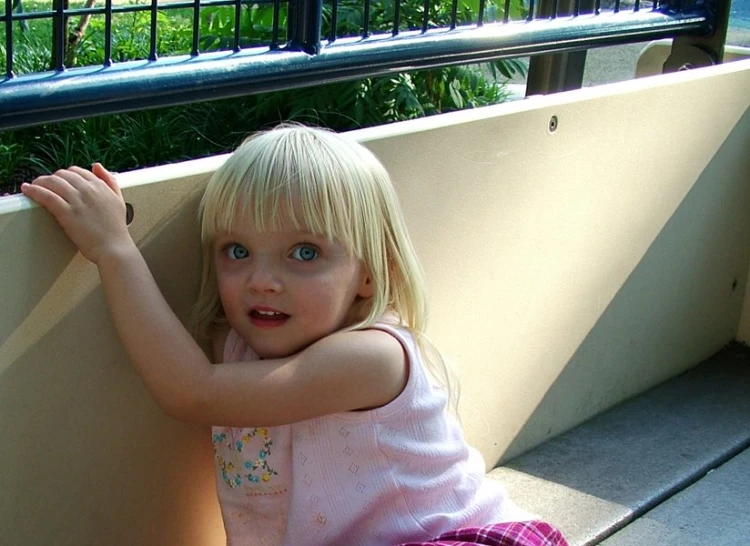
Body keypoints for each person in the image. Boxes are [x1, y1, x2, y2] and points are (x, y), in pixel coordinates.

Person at [21, 124, 567, 546]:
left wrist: (114, 250)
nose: (261, 280)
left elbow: (189, 391)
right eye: (237, 251)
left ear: (369, 274)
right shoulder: (237, 349)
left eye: (304, 253)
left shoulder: (371, 357)